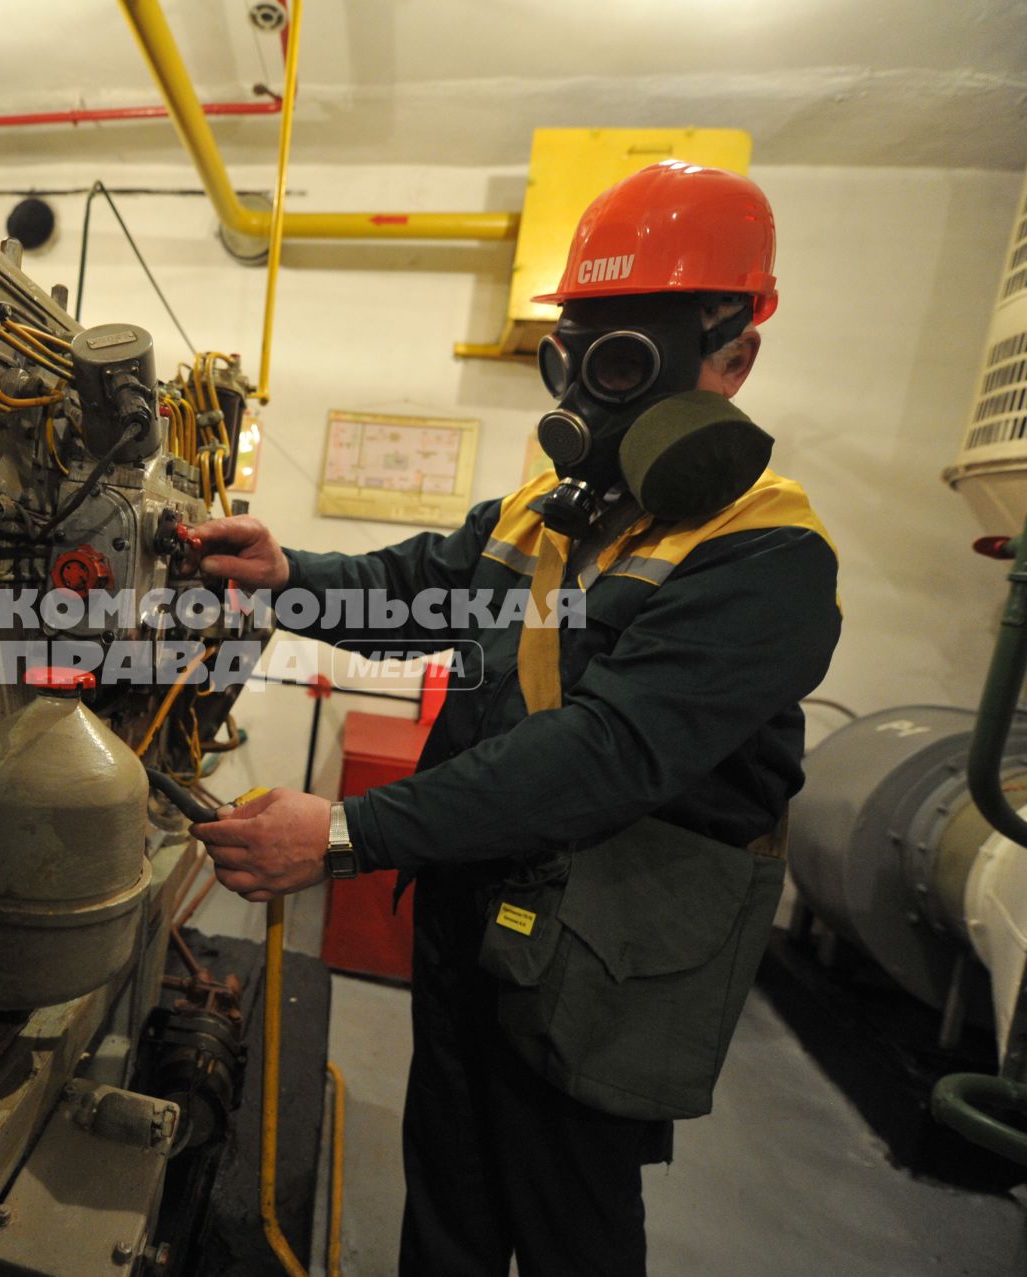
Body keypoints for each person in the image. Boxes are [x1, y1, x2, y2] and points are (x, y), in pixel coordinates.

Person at [190, 160, 842, 1277]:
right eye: (573, 353)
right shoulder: (552, 506)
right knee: (448, 1180)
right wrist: (288, 571)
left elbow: (607, 750)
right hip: (473, 897)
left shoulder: (767, 555)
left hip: (610, 943)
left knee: (565, 1207)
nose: (590, 389)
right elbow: (421, 587)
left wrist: (347, 835)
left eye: (628, 358)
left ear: (734, 354)